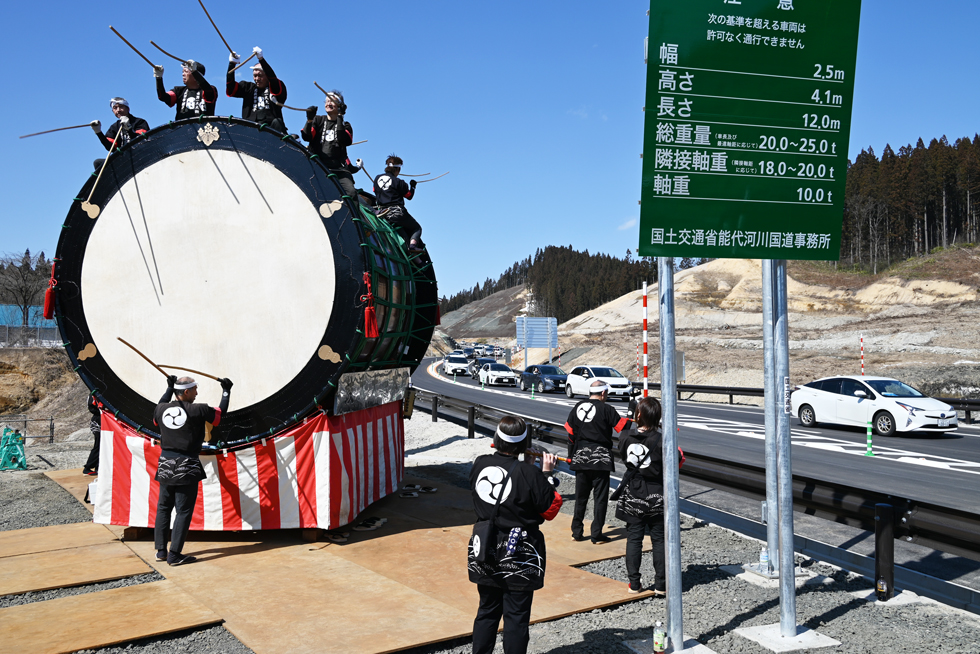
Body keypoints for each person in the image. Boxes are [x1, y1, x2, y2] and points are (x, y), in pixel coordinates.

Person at [468, 416, 562, 654]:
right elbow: (550, 509)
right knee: (516, 615)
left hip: (485, 545)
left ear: (497, 438)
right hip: (519, 550)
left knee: (487, 610)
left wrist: (526, 466)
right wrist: (546, 474)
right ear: (523, 444)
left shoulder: (480, 463)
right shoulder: (530, 473)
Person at [153, 375, 232, 566]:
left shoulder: (161, 409)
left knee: (163, 507)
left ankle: (161, 551)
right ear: (187, 391)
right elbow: (219, 416)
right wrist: (226, 391)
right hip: (186, 464)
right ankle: (174, 554)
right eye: (195, 389)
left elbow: (158, 413)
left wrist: (169, 389)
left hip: (165, 463)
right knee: (183, 511)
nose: (197, 393)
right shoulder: (198, 409)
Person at [564, 379, 628, 543]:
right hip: (601, 458)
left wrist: (571, 455)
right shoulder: (607, 409)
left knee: (581, 497)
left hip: (581, 456)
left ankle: (577, 532)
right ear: (603, 393)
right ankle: (596, 534)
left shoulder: (577, 407)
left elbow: (570, 434)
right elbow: (622, 428)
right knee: (600, 499)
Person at [616, 396, 667, 596]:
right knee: (659, 540)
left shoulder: (625, 437)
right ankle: (661, 585)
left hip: (633, 491)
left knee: (634, 538)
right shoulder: (662, 439)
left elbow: (623, 456)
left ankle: (634, 584)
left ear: (638, 415)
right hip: (657, 492)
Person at [301, 90, 357, 205]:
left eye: (332, 101)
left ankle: (354, 215)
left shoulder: (346, 125)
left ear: (340, 106)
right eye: (326, 101)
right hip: (318, 166)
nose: (328, 103)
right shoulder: (318, 120)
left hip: (339, 169)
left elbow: (343, 139)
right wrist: (309, 120)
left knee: (351, 193)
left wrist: (340, 117)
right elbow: (306, 136)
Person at [226, 47, 287, 132]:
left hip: (272, 129)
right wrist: (232, 64)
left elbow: (273, 79)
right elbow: (231, 88)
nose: (257, 79)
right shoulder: (248, 88)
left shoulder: (275, 88)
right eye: (255, 76)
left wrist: (261, 60)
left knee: (278, 122)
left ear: (267, 76)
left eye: (260, 75)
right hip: (251, 129)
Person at [374, 154, 424, 252]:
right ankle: (412, 246)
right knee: (417, 228)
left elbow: (374, 190)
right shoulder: (399, 182)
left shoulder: (377, 178)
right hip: (398, 213)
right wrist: (412, 186)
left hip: (383, 213)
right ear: (398, 169)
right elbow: (409, 196)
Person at [82, 395, 101, 476]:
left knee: (102, 446)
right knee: (98, 446)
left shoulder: (97, 394)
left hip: (99, 421)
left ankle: (98, 467)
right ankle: (88, 467)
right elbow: (92, 408)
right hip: (97, 422)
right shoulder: (94, 395)